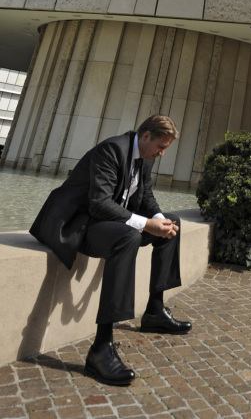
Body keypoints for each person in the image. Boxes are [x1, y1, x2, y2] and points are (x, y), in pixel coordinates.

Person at [30, 115, 191, 386]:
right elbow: (99, 204)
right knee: (128, 237)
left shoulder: (145, 159)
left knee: (172, 223)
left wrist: (159, 221)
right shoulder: (111, 150)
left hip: (106, 222)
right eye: (161, 147)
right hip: (78, 225)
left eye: (166, 149)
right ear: (146, 135)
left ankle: (154, 311)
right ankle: (101, 349)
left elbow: (146, 197)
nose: (162, 153)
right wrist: (145, 224)